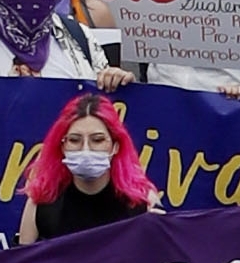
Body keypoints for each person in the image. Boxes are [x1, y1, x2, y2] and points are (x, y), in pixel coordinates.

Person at [19, 91, 155, 242]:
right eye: (74, 140)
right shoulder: (41, 202)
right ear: (62, 146)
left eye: (97, 140)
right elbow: (23, 256)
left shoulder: (143, 202)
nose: (86, 149)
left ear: (115, 146)